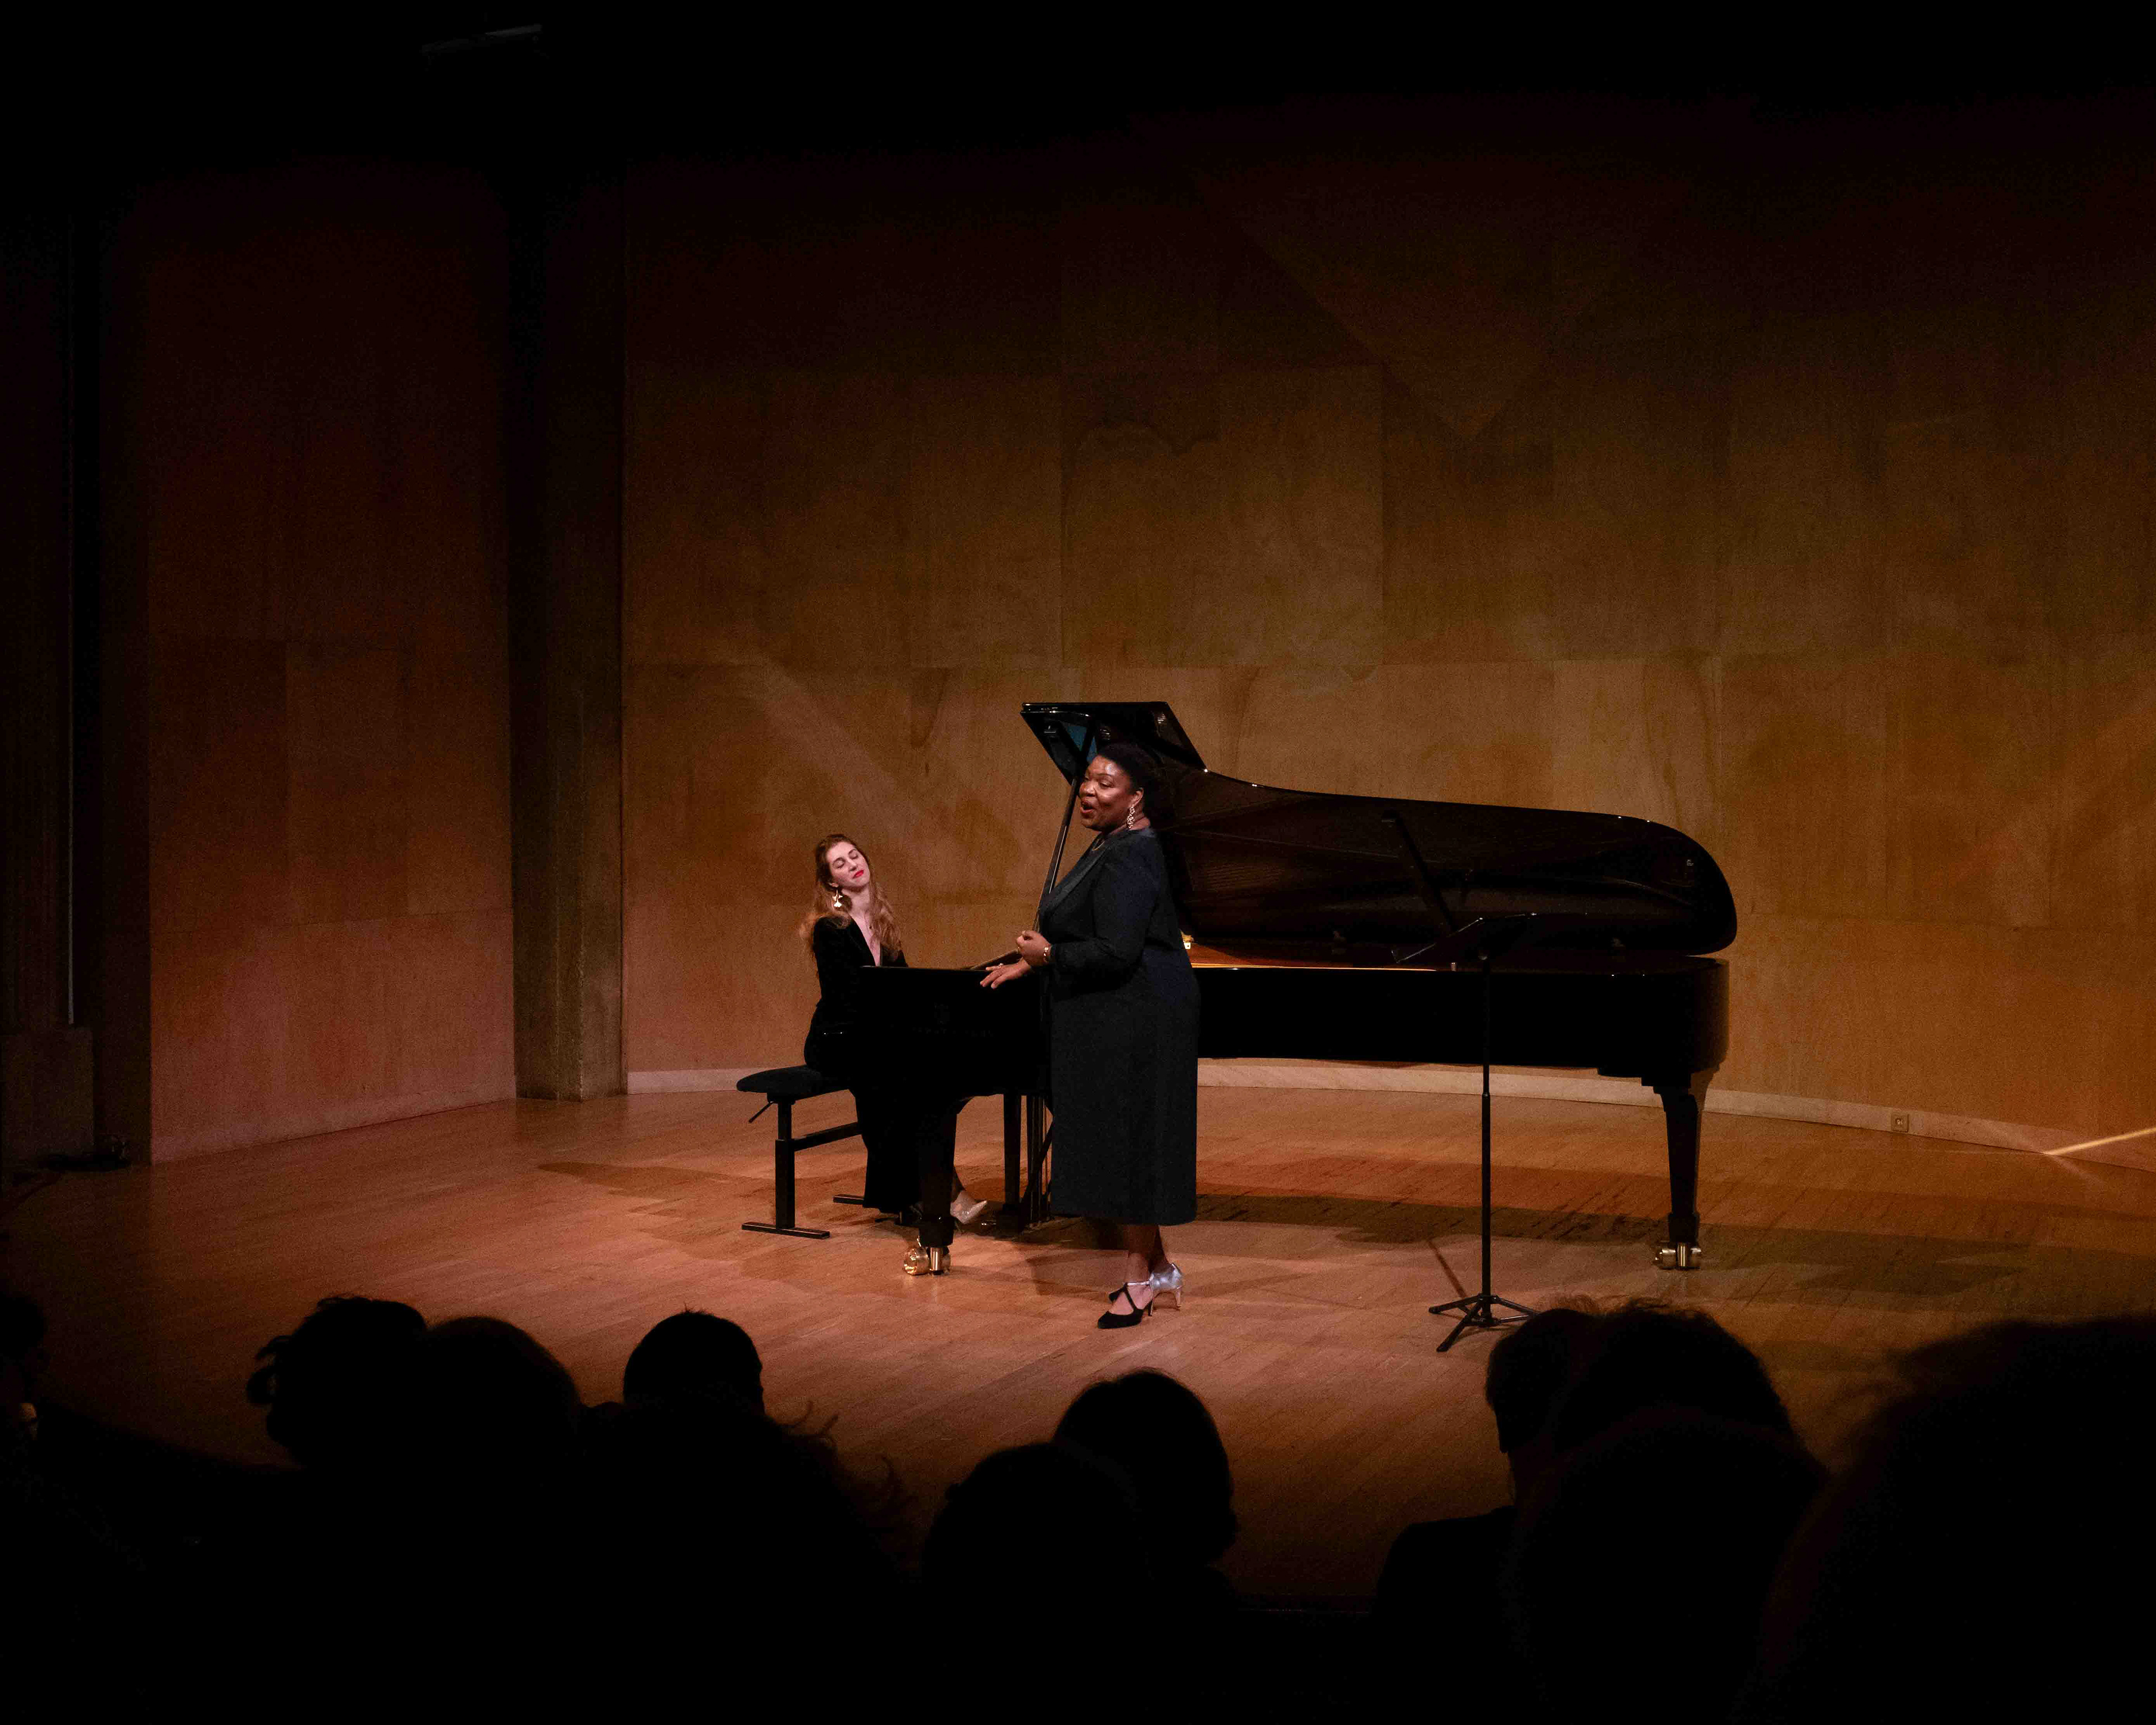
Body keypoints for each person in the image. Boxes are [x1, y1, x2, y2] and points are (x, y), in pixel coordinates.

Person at [984, 744, 1198, 1329]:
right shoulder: (1116, 843)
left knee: (1130, 1151)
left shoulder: (1133, 853)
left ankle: (1140, 1280)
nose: (1087, 790)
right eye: (1086, 780)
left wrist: (1049, 954)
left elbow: (1117, 951)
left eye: (1105, 783)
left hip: (1133, 1021)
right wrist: (1028, 965)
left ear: (1137, 798)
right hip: (1118, 1016)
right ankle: (1157, 1269)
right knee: (1123, 1146)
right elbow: (1097, 929)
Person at [802, 833, 983, 1276]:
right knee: (894, 1084)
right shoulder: (830, 930)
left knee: (918, 1083)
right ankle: (938, 1193)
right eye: (840, 864)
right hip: (840, 1038)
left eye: (855, 856)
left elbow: (904, 988)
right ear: (833, 884)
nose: (853, 865)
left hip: (878, 1037)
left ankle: (921, 1192)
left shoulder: (882, 922)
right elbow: (845, 999)